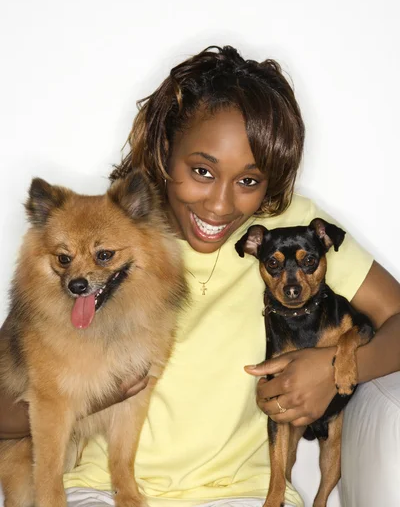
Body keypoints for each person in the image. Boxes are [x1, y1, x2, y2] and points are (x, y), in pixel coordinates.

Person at [1, 46, 400, 507]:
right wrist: (85, 401)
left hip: (245, 494)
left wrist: (337, 371)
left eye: (249, 180)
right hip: (104, 492)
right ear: (166, 151)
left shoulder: (287, 235)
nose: (219, 204)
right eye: (202, 171)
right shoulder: (97, 238)